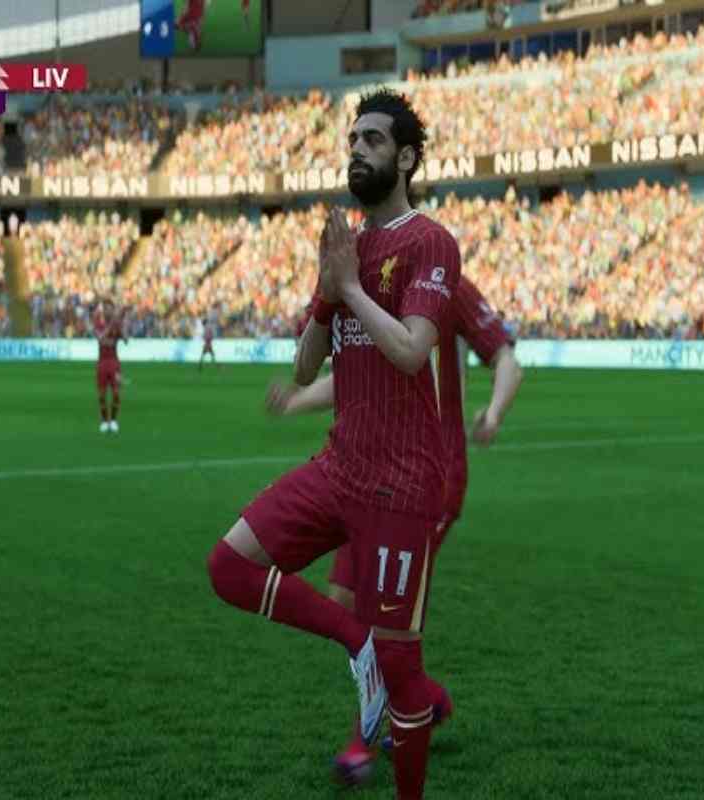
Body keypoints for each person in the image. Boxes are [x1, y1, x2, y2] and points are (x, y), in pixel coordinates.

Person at [207, 88, 457, 799]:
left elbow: (411, 351)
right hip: (339, 467)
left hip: (402, 483)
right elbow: (304, 367)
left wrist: (349, 287)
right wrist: (328, 289)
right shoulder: (349, 247)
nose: (356, 151)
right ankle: (356, 641)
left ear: (406, 158)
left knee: (405, 675)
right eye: (352, 140)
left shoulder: (428, 241)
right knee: (229, 566)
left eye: (372, 140)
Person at [267, 273, 523, 784]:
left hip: (430, 477)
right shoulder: (368, 284)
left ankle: (360, 742)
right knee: (344, 601)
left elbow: (507, 360)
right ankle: (426, 699)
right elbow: (354, 377)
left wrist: (493, 413)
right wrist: (295, 401)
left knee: (382, 613)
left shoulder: (444, 281)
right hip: (371, 475)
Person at [94, 299, 127, 433]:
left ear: (113, 310)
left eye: (110, 309)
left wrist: (121, 328)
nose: (108, 311)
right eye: (106, 308)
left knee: (116, 394)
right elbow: (100, 339)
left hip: (114, 363)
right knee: (102, 395)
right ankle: (104, 421)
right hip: (102, 363)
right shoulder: (98, 323)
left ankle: (113, 420)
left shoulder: (116, 325)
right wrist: (111, 326)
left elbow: (126, 340)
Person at [199, 304, 220, 371]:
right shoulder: (207, 328)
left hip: (207, 343)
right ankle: (215, 365)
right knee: (209, 354)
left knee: (206, 354)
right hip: (208, 344)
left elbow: (205, 336)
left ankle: (201, 365)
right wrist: (210, 338)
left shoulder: (205, 328)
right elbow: (208, 336)